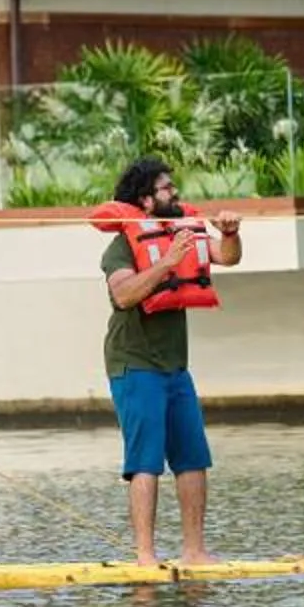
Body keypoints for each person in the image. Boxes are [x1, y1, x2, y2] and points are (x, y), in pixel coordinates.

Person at [96, 157, 241, 567]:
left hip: (175, 365)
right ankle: (145, 556)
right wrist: (165, 262)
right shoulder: (121, 246)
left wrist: (230, 234)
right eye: (165, 189)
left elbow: (227, 257)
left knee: (193, 457)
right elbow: (124, 295)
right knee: (145, 460)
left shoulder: (186, 232)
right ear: (144, 201)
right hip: (134, 362)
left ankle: (194, 551)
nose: (174, 193)